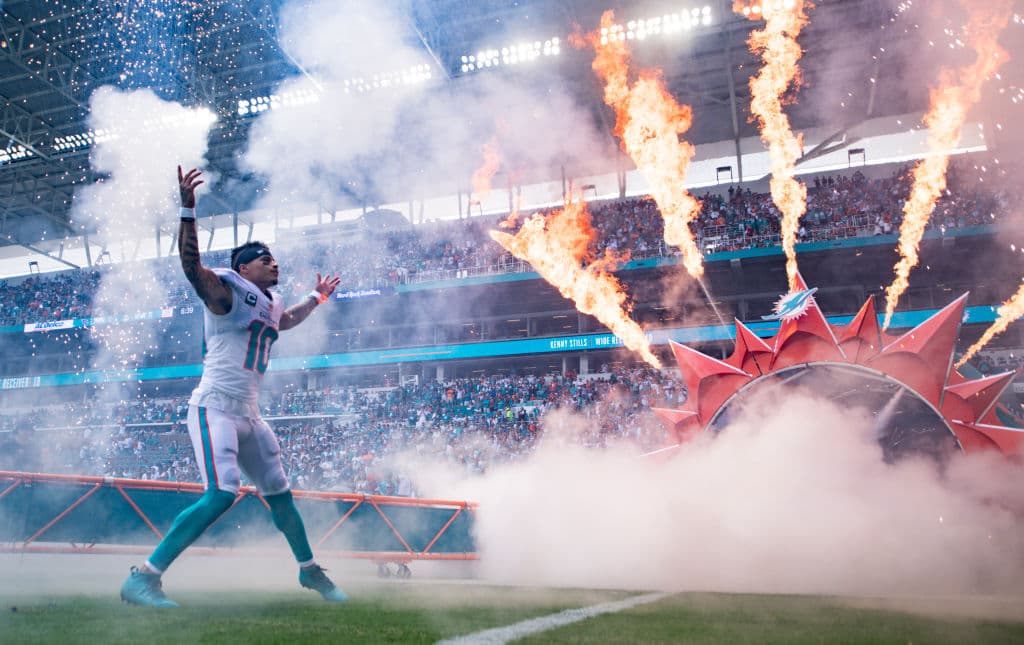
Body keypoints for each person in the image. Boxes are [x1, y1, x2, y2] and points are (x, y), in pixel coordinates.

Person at [120, 166, 345, 607]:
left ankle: (310, 571)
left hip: (249, 413)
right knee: (223, 492)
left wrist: (316, 299)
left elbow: (287, 320)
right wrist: (188, 209)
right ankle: (144, 577)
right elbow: (192, 268)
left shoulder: (269, 301)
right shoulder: (228, 291)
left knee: (280, 494)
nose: (274, 262)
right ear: (244, 267)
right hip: (215, 407)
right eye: (265, 258)